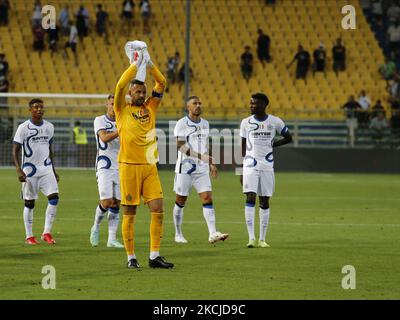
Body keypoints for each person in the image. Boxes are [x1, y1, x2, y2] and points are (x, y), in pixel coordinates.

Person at [114, 45, 173, 269]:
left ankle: (154, 255)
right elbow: (120, 85)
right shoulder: (121, 109)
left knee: (158, 208)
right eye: (137, 92)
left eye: (143, 91)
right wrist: (134, 65)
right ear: (130, 94)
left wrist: (149, 65)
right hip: (128, 166)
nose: (142, 94)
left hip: (150, 166)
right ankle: (130, 257)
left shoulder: (151, 107)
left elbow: (162, 84)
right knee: (130, 212)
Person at [172, 96, 229, 244]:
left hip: (202, 168)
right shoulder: (181, 124)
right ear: (188, 107)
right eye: (194, 103)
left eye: (199, 103)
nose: (198, 105)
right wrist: (202, 157)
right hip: (185, 168)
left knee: (207, 198)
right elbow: (181, 146)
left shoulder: (205, 124)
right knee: (181, 200)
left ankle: (212, 233)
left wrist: (210, 163)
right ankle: (178, 233)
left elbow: (204, 145)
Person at [239, 93, 292, 248]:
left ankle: (262, 239)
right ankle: (251, 238)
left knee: (264, 200)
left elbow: (289, 137)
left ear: (263, 104)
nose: (251, 106)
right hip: (250, 165)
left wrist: (273, 145)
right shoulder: (245, 122)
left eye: (254, 104)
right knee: (250, 198)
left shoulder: (275, 121)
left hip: (267, 165)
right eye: (250, 103)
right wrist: (241, 169)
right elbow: (242, 147)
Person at [12, 99, 60, 245]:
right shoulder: (23, 128)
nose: (39, 109)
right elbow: (15, 151)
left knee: (54, 198)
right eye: (36, 107)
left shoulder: (49, 127)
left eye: (41, 107)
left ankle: (46, 233)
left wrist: (54, 170)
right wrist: (18, 170)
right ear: (30, 110)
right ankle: (29, 236)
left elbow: (49, 149)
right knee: (29, 203)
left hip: (46, 168)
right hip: (29, 170)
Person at [90, 94, 124, 248]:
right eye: (111, 104)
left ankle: (112, 239)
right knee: (106, 201)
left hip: (121, 166)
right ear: (107, 104)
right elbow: (103, 138)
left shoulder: (123, 120)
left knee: (116, 203)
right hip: (104, 166)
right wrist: (121, 130)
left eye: (116, 104)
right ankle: (96, 227)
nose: (113, 107)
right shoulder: (100, 120)